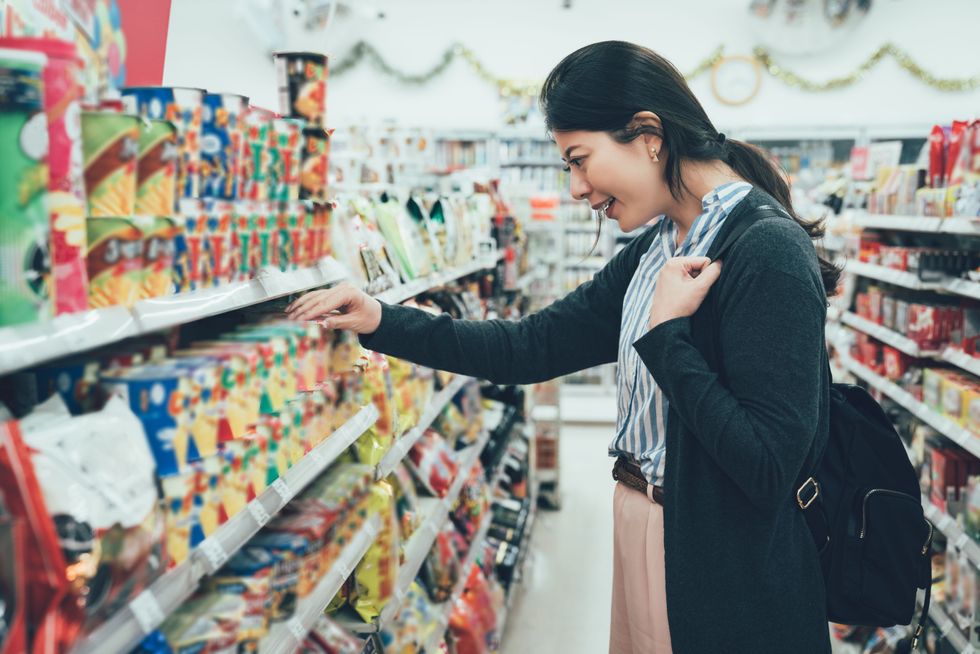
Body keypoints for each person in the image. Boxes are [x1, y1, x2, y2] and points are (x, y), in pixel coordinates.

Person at [287, 40, 838, 654]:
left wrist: (666, 336)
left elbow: (767, 467)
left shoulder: (765, 250)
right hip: (649, 528)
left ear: (648, 134)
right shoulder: (660, 246)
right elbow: (529, 347)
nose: (576, 188)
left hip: (724, 569)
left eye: (580, 159)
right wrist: (379, 319)